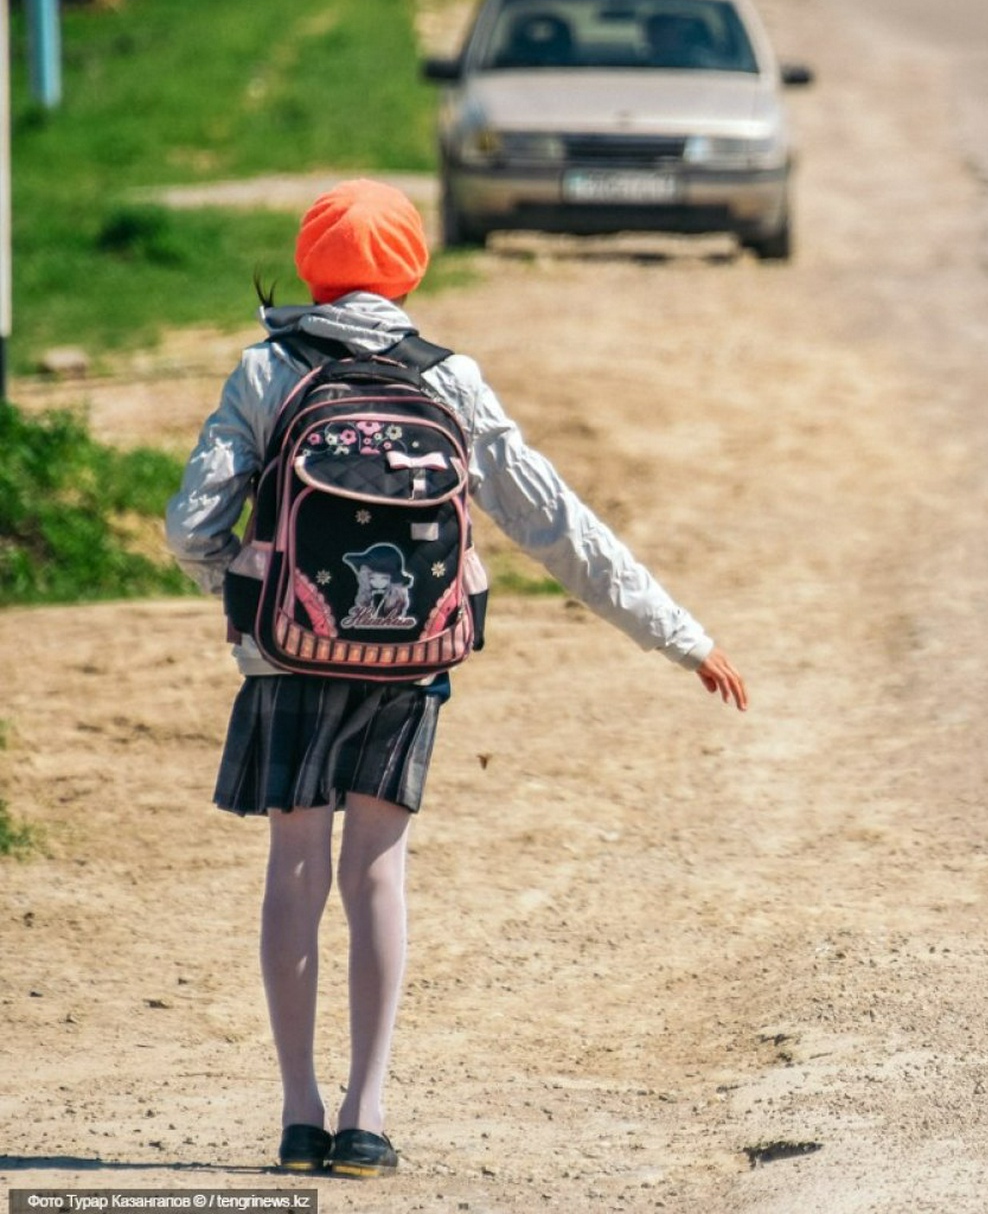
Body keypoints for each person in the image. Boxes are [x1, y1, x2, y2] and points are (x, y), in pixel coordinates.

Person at [164, 178, 748, 1178]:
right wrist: (679, 634)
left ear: (308, 266)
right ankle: (367, 1113)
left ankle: (299, 1114)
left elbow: (191, 527)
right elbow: (555, 523)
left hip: (286, 657)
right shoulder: (451, 380)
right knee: (376, 872)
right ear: (413, 268)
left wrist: (254, 582)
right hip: (409, 664)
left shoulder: (267, 369)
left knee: (295, 871)